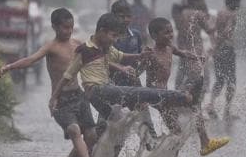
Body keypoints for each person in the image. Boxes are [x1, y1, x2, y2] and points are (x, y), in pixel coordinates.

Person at [50, 13, 195, 150]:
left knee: (120, 127)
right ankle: (180, 96)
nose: (115, 40)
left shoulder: (106, 48)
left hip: (105, 93)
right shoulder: (84, 49)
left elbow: (121, 56)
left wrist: (139, 56)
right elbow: (67, 75)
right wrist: (54, 97)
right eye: (113, 36)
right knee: (138, 93)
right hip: (97, 90)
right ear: (102, 31)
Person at [0, 8, 97, 157]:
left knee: (91, 135)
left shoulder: (77, 44)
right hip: (60, 100)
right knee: (74, 130)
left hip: (78, 96)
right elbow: (31, 59)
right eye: (65, 27)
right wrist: (10, 66)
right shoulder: (51, 47)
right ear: (55, 27)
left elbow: (95, 59)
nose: (69, 31)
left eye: (71, 27)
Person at [143, 17, 230, 156]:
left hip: (165, 96)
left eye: (171, 31)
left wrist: (196, 57)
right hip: (156, 96)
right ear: (154, 36)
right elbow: (137, 71)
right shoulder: (150, 54)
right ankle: (205, 142)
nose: (171, 35)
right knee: (192, 103)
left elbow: (183, 53)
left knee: (177, 132)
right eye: (166, 33)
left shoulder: (170, 47)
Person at [109, 0, 159, 151]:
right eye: (121, 16)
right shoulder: (109, 37)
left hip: (133, 87)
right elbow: (103, 62)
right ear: (113, 16)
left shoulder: (135, 36)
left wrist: (146, 59)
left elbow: (137, 66)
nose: (125, 20)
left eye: (128, 16)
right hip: (112, 90)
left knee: (149, 131)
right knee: (112, 134)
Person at [207, 0, 241, 120]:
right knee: (231, 80)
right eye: (238, 2)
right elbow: (227, 32)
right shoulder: (232, 15)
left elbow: (211, 30)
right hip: (227, 49)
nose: (239, 5)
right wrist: (218, 45)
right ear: (233, 2)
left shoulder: (219, 13)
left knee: (220, 79)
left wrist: (214, 45)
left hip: (219, 51)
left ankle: (211, 104)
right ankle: (227, 111)